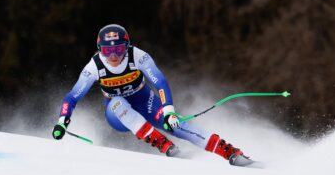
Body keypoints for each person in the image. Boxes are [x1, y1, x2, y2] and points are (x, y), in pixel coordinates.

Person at [52, 24, 251, 166]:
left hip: (145, 101)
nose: (113, 56)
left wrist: (169, 112)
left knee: (176, 125)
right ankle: (162, 143)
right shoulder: (94, 66)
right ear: (99, 50)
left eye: (118, 49)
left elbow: (160, 82)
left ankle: (230, 152)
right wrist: (63, 121)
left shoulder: (137, 56)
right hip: (118, 115)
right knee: (118, 103)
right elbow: (73, 97)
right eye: (107, 51)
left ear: (127, 46)